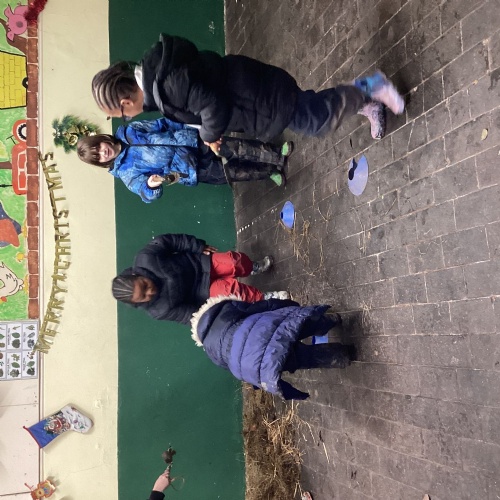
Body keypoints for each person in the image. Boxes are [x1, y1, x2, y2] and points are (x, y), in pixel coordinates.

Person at [91, 34, 404, 151]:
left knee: (317, 119)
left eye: (122, 114)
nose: (128, 117)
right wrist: (207, 129)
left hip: (257, 99)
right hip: (251, 87)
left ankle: (370, 89)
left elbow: (212, 106)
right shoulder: (159, 68)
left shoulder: (166, 87)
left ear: (125, 102)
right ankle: (366, 104)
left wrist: (208, 135)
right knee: (310, 106)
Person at [77, 117, 292, 203]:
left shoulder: (130, 131)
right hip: (190, 170)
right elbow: (144, 193)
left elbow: (162, 124)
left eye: (98, 147)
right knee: (234, 172)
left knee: (236, 148)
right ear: (100, 163)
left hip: (193, 140)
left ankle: (275, 154)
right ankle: (269, 172)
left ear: (102, 140)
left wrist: (193, 126)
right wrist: (150, 186)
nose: (103, 153)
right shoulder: (125, 172)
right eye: (98, 157)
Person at [190, 295, 355, 400]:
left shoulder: (210, 351)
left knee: (299, 358)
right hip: (262, 333)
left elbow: (231, 364)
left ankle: (340, 356)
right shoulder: (225, 308)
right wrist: (290, 305)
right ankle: (330, 321)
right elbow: (265, 307)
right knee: (296, 326)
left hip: (256, 365)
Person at [112, 233, 290, 325]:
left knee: (234, 262)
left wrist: (196, 246)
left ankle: (253, 267)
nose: (149, 292)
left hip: (198, 263)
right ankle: (266, 297)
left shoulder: (145, 258)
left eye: (144, 286)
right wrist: (208, 316)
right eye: (143, 297)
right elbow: (190, 315)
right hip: (202, 291)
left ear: (136, 275)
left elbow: (169, 241)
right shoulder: (159, 310)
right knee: (234, 292)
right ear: (137, 303)